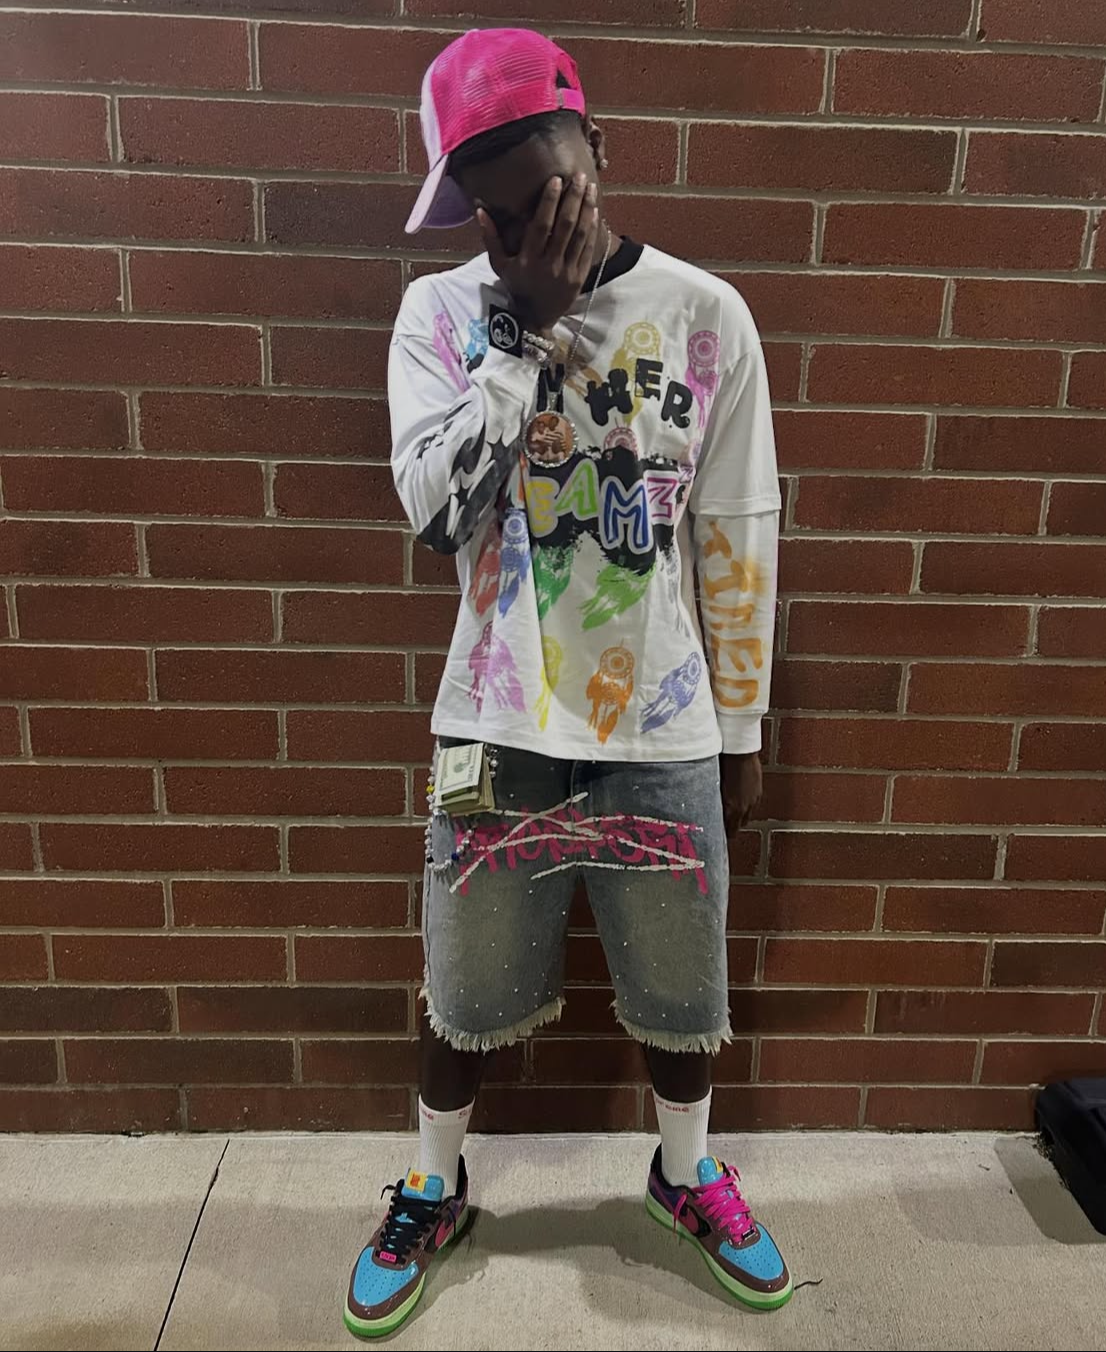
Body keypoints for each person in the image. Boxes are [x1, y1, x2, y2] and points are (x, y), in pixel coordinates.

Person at [344, 27, 788, 1338]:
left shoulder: (704, 316)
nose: (510, 226)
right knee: (463, 986)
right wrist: (521, 340)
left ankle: (685, 1173)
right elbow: (437, 518)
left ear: (594, 147)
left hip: (664, 720)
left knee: (683, 988)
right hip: (495, 720)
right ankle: (433, 1186)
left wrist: (743, 727)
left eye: (534, 185)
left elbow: (738, 528)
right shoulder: (440, 317)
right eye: (482, 205)